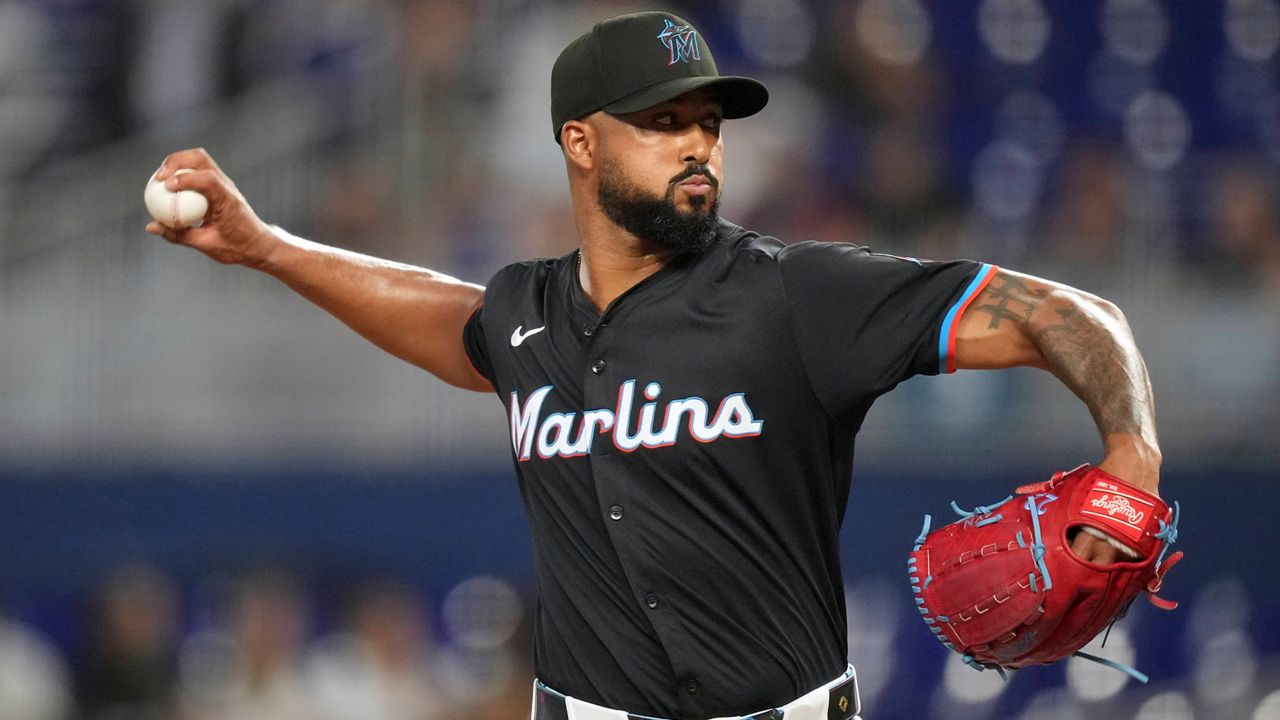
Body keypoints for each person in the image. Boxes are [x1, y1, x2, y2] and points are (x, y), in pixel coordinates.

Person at [146, 11, 1162, 720]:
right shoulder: (528, 319)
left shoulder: (795, 295)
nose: (698, 147)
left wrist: (1129, 453)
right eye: (663, 122)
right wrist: (267, 247)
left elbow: (1064, 313)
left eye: (709, 125)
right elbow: (453, 322)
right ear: (580, 144)